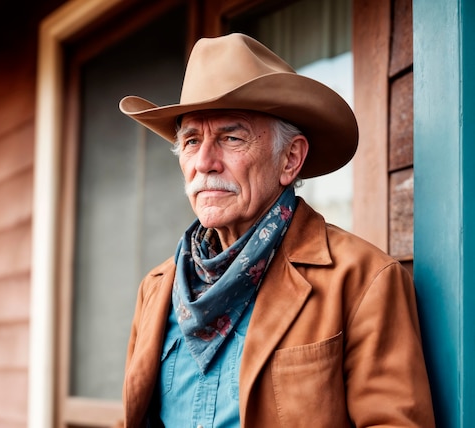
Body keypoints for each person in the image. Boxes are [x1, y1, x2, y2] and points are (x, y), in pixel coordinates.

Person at [117, 33, 435, 427]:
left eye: (231, 138)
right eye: (191, 141)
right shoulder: (156, 287)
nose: (204, 162)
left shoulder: (363, 280)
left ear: (290, 158)